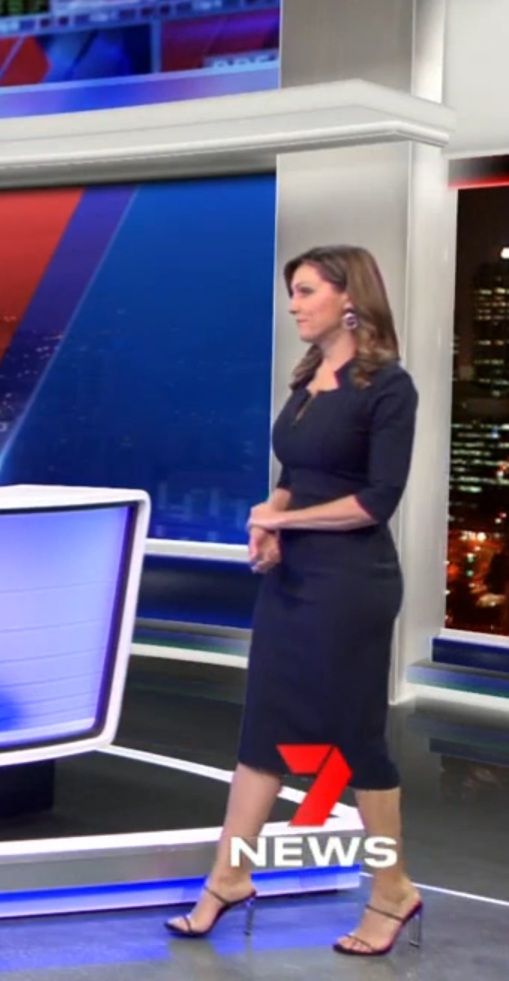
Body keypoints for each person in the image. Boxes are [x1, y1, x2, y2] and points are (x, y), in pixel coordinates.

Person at [166, 245, 422, 957]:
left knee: (354, 740)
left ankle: (391, 889)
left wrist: (287, 521)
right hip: (291, 580)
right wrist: (268, 516)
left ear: (349, 298)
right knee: (264, 728)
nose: (293, 305)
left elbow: (374, 501)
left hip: (350, 584)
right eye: (292, 292)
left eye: (305, 291)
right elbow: (295, 474)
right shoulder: (309, 379)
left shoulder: (389, 388)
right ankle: (229, 877)